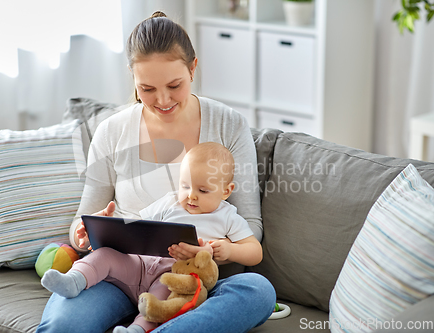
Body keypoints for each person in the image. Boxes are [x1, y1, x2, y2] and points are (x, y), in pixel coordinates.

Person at [37, 11, 276, 333]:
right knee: (63, 327)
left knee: (257, 290)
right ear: (132, 79)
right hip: (121, 272)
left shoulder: (228, 125)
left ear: (193, 68)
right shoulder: (112, 132)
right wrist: (83, 232)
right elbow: (83, 220)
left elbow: (251, 226)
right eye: (147, 89)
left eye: (174, 85)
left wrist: (211, 250)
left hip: (188, 280)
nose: (162, 100)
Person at [40, 142, 263, 333]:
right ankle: (73, 281)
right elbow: (137, 225)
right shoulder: (171, 202)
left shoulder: (227, 215)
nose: (191, 195)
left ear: (226, 190)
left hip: (171, 277)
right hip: (139, 265)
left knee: (161, 300)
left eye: (203, 190)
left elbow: (255, 251)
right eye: (185, 186)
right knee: (104, 255)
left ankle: (137, 329)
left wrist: (227, 250)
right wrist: (105, 226)